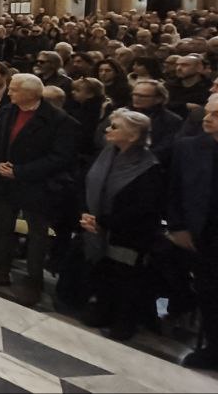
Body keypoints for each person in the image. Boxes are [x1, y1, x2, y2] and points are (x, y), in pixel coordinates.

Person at [0, 73, 76, 306]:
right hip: (4, 181)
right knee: (1, 228)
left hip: (37, 185)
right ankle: (0, 271)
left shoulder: (59, 121)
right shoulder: (8, 111)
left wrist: (20, 172)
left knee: (37, 236)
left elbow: (60, 158)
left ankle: (34, 283)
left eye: (14, 89)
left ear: (30, 94)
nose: (9, 92)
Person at [77, 108, 164, 341]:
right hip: (98, 227)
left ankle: (125, 320)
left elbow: (142, 208)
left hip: (129, 234)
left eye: (114, 127)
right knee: (104, 272)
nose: (107, 129)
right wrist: (87, 214)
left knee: (126, 278)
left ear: (133, 136)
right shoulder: (107, 154)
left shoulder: (149, 167)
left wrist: (102, 221)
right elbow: (88, 183)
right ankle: (103, 308)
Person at [169, 95, 218, 370]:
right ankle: (214, 348)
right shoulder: (188, 147)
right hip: (205, 233)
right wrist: (178, 227)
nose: (206, 118)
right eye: (207, 112)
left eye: (216, 115)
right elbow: (174, 191)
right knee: (208, 292)